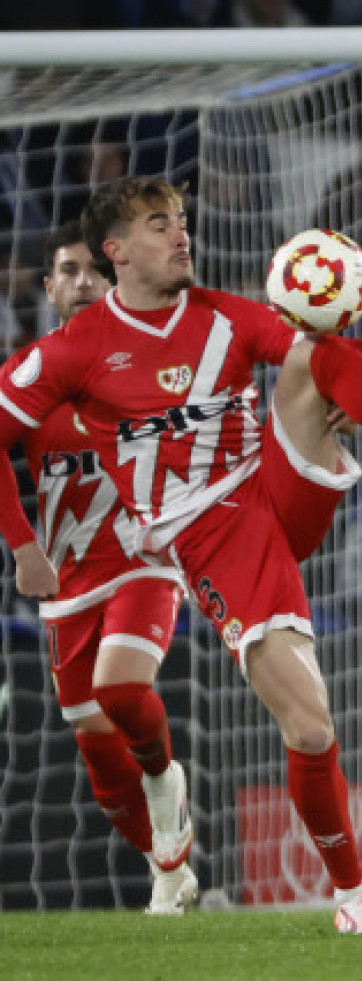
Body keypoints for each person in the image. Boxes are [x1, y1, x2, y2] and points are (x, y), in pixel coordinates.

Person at [0, 176, 362, 932]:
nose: (180, 235)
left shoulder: (221, 315)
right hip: (210, 539)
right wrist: (23, 544)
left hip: (272, 486)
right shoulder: (74, 351)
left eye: (181, 221)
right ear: (116, 250)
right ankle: (352, 895)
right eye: (159, 225)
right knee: (310, 728)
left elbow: (351, 353)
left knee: (312, 349)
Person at [0, 221, 197, 914]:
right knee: (97, 754)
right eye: (68, 270)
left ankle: (165, 775)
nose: (83, 281)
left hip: (145, 562)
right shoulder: (30, 375)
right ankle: (167, 869)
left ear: (116, 282)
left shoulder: (154, 358)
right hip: (68, 581)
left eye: (94, 270)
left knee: (120, 692)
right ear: (49, 288)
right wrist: (25, 548)